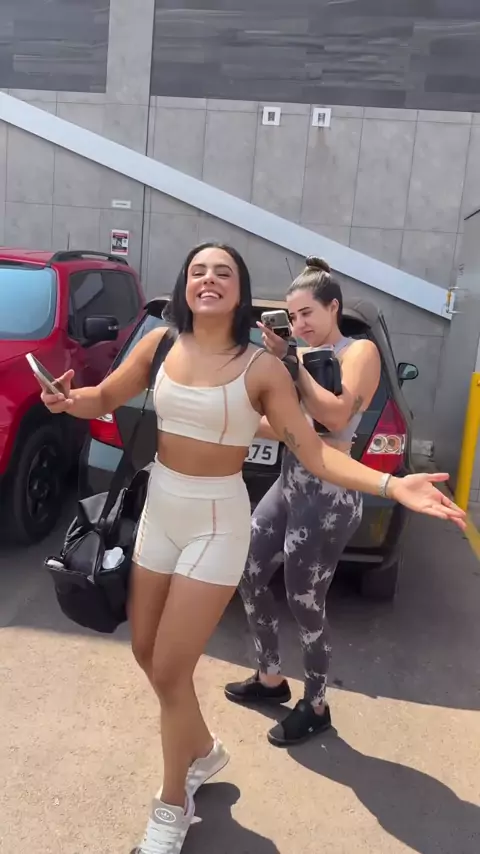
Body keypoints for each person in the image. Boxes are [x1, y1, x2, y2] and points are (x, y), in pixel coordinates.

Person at [40, 243, 464, 854]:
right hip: (159, 509)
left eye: (223, 272)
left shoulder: (263, 368)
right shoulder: (159, 343)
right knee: (145, 652)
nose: (208, 279)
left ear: (240, 291)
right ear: (185, 285)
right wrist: (67, 399)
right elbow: (103, 397)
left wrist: (393, 484)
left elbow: (316, 452)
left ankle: (172, 807)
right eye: (198, 271)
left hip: (216, 520)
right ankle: (202, 750)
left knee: (170, 669)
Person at [224, 255, 388, 746]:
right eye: (292, 317)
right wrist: (227, 413)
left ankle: (316, 704)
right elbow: (289, 429)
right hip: (289, 483)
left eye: (307, 314)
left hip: (330, 495)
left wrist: (293, 364)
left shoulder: (358, 353)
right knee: (248, 571)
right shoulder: (296, 357)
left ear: (333, 307)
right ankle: (270, 676)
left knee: (304, 600)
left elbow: (334, 418)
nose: (299, 325)